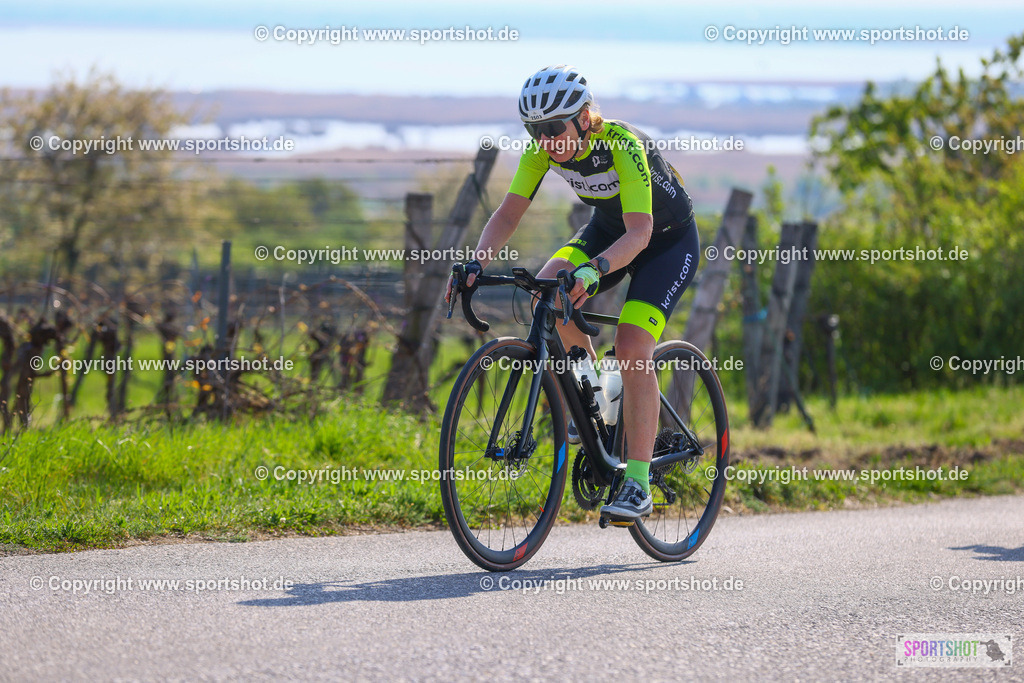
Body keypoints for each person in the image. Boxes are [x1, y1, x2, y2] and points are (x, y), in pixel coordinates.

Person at [445, 64, 700, 520]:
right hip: (608, 229)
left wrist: (594, 270)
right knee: (548, 288)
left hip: (664, 241)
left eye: (552, 128)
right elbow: (507, 214)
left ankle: (638, 482)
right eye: (533, 129)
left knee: (632, 345)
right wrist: (477, 262)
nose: (545, 140)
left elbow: (640, 232)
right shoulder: (543, 151)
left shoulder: (620, 144)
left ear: (584, 117)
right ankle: (597, 402)